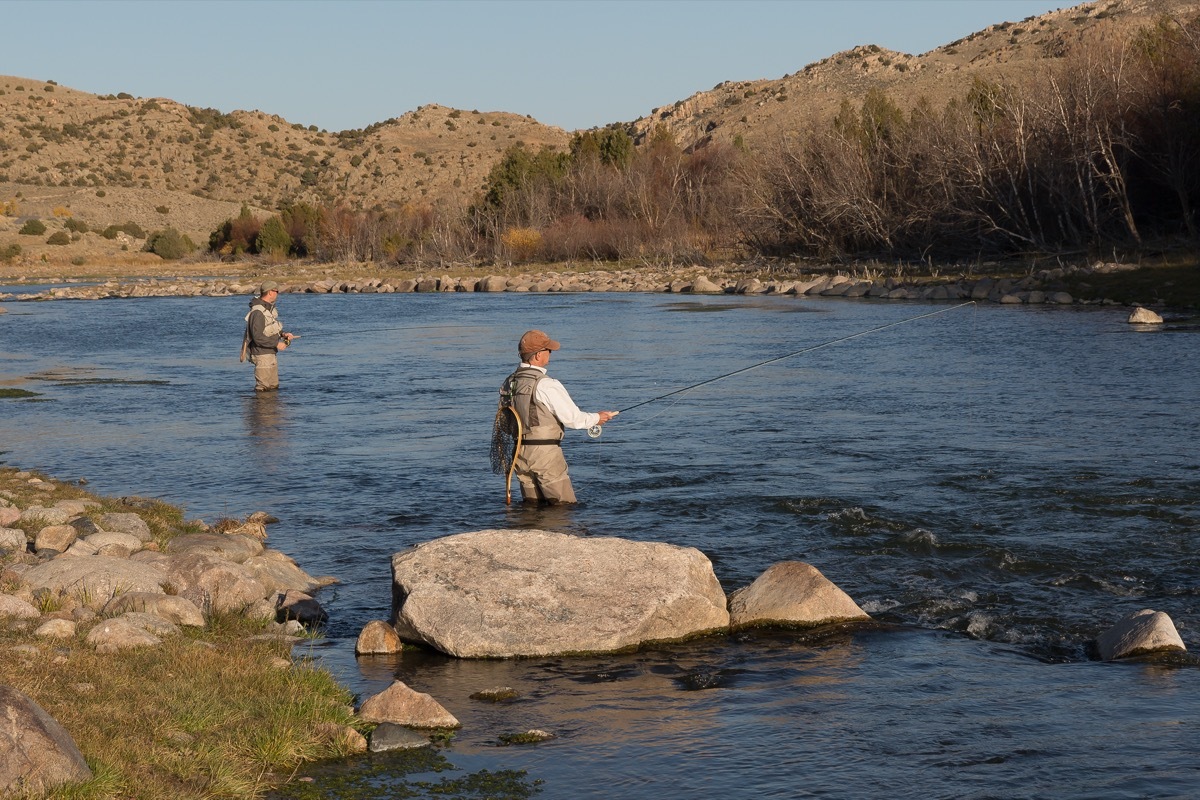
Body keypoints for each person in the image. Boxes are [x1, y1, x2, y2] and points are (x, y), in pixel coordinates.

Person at [499, 330, 617, 504]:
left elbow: (503, 422)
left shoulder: (508, 383)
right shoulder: (546, 384)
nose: (551, 354)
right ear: (538, 355)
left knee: (532, 507)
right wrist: (597, 418)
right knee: (563, 506)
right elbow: (573, 419)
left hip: (518, 454)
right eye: (549, 350)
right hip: (545, 454)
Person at [242, 280, 295, 391]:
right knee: (263, 389)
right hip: (262, 356)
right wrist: (277, 344)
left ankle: (272, 409)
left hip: (270, 354)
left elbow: (269, 328)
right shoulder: (258, 312)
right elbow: (257, 337)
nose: (277, 294)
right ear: (270, 292)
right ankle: (259, 408)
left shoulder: (267, 309)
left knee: (273, 388)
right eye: (277, 291)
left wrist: (283, 335)